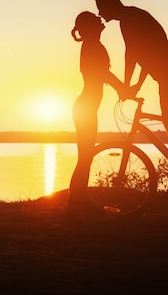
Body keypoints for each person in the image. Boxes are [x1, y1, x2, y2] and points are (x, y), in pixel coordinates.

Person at [93, 0, 168, 191]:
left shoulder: (129, 20)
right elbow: (148, 53)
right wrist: (135, 85)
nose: (100, 14)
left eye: (101, 8)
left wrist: (128, 86)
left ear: (110, 4)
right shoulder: (131, 17)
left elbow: (133, 54)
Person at [68, 11, 125, 216]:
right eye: (96, 20)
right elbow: (103, 74)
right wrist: (122, 88)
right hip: (85, 108)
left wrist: (122, 87)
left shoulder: (92, 45)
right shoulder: (92, 46)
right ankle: (75, 206)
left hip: (86, 107)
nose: (101, 22)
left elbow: (103, 75)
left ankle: (78, 203)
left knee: (85, 157)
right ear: (91, 27)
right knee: (84, 157)